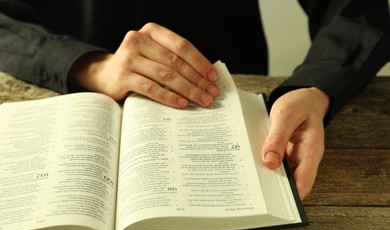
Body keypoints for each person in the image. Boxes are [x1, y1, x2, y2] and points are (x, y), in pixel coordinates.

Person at [0, 0, 389, 199]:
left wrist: (316, 89)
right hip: (71, 99)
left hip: (227, 106)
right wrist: (92, 65)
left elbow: (355, 9)